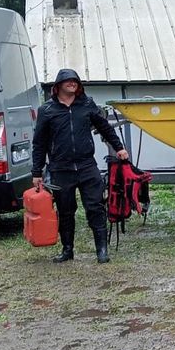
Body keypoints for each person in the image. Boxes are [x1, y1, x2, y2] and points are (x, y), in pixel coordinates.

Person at [32, 69, 129, 264]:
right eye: (68, 81)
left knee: (95, 207)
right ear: (58, 86)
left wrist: (119, 147)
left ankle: (101, 250)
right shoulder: (47, 110)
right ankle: (68, 250)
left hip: (86, 166)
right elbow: (39, 143)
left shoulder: (87, 104)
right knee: (65, 210)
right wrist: (37, 172)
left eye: (75, 81)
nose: (72, 84)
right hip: (60, 169)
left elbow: (104, 127)